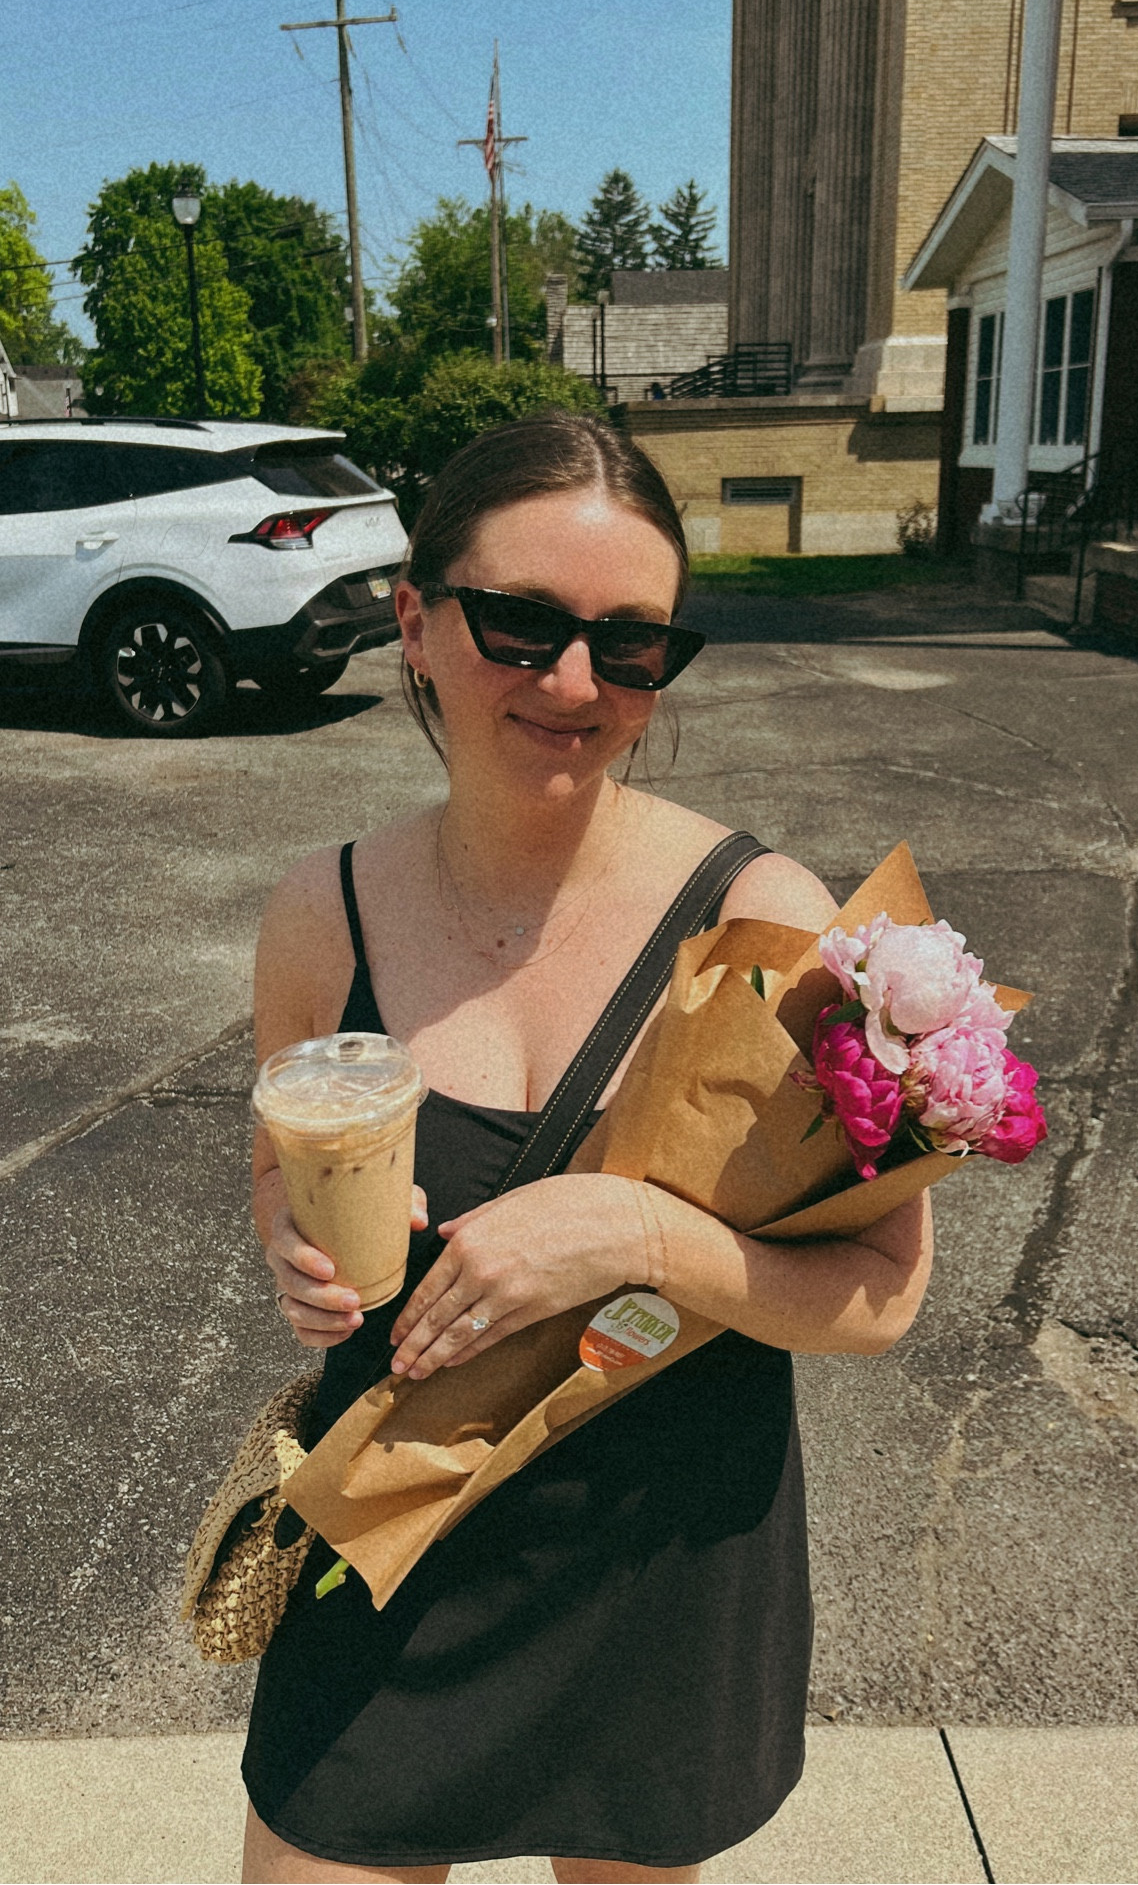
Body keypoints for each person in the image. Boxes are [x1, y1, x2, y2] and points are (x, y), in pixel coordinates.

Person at [242, 412, 932, 1885]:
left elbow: (883, 1292)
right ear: (417, 625)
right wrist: (293, 1252)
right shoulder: (322, 914)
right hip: (395, 1521)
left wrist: (639, 1234)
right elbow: (276, 1163)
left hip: (662, 1562)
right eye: (521, 624)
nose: (575, 683)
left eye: (632, 646)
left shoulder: (768, 919)